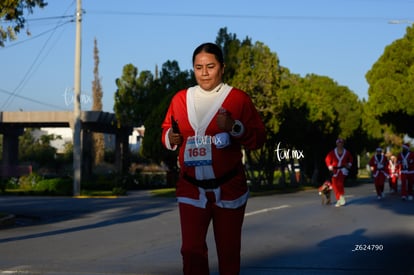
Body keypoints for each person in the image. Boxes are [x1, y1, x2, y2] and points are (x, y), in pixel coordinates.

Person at [161, 42, 266, 275]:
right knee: (190, 251)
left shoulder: (238, 99)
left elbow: (258, 138)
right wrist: (171, 137)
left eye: (210, 66)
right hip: (191, 188)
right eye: (198, 67)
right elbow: (167, 128)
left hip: (229, 188)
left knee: (228, 253)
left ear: (222, 67)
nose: (204, 73)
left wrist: (234, 127)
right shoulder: (180, 99)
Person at [325, 138, 353, 207]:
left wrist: (349, 164)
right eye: (338, 143)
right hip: (334, 170)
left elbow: (351, 158)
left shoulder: (346, 152)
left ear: (343, 144)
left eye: (341, 143)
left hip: (342, 170)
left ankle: (341, 196)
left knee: (340, 183)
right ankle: (339, 199)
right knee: (334, 185)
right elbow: (327, 159)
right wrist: (329, 166)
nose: (340, 145)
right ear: (336, 144)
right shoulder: (332, 152)